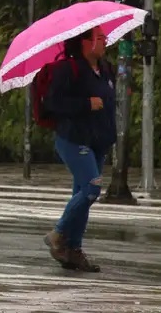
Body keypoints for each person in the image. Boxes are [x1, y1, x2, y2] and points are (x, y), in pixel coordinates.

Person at [43, 26, 115, 273]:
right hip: (73, 139)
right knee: (92, 188)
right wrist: (86, 104)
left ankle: (73, 250)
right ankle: (59, 233)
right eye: (101, 38)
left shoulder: (105, 69)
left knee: (83, 196)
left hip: (98, 142)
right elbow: (53, 103)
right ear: (86, 42)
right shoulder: (68, 69)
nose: (106, 42)